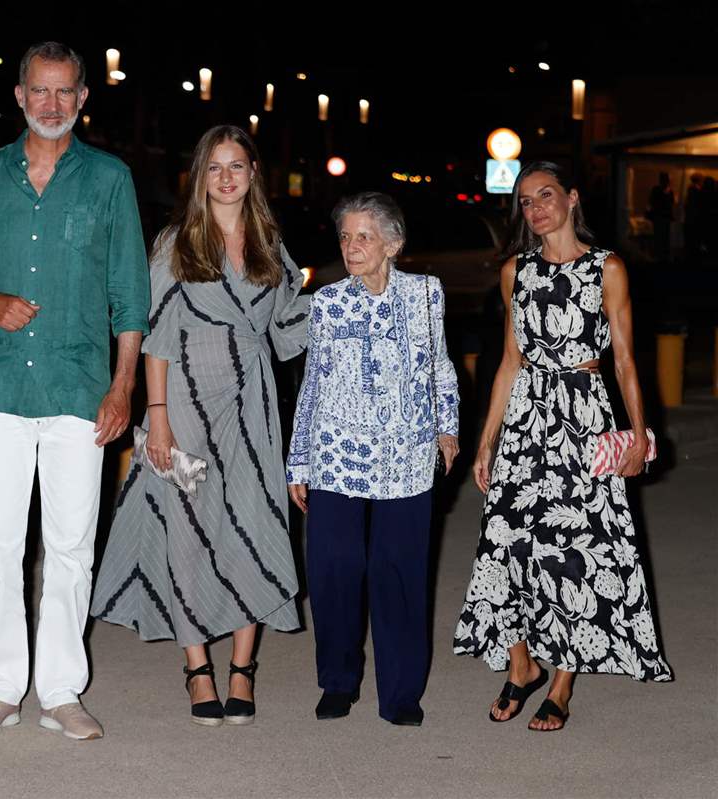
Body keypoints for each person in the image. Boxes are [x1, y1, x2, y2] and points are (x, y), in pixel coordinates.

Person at [0, 41, 150, 741]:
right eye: (40, 92)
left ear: (83, 99)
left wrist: (123, 387)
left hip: (79, 385)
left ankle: (60, 689)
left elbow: (131, 294)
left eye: (65, 93)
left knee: (70, 542)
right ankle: (1, 686)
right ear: (20, 97)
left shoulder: (109, 180)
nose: (52, 105)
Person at [90, 125, 308, 727]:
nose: (226, 177)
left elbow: (292, 328)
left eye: (236, 166)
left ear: (254, 173)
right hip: (184, 401)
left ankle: (243, 668)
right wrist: (156, 421)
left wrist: (358, 300)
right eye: (215, 168)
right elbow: (155, 339)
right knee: (187, 533)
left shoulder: (269, 243)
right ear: (200, 176)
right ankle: (196, 668)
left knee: (256, 526)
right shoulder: (176, 243)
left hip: (254, 406)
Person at [453, 161, 672, 731]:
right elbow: (508, 361)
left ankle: (562, 682)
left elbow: (625, 360)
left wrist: (638, 435)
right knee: (509, 541)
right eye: (525, 201)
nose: (536, 208)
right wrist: (486, 442)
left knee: (576, 546)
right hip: (527, 419)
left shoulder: (607, 269)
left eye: (545, 195)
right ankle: (520, 664)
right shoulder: (515, 272)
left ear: (572, 199)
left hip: (583, 415)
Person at [286, 192, 460, 727]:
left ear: (393, 243)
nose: (352, 246)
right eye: (345, 236)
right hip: (336, 451)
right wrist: (299, 461)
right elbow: (312, 383)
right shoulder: (329, 301)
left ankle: (401, 693)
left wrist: (447, 427)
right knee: (335, 568)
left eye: (364, 236)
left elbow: (440, 365)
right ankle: (338, 681)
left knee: (399, 572)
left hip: (406, 451)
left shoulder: (426, 294)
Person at [646, 171, 674, 262]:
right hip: (660, 217)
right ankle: (660, 254)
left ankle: (662, 254)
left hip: (662, 217)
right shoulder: (660, 190)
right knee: (660, 236)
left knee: (663, 236)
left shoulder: (663, 190)